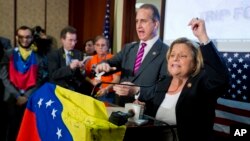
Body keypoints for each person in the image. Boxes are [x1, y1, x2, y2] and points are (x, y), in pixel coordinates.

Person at [114, 18, 229, 141]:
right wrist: (144, 108)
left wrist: (202, 37)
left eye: (183, 56)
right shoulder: (164, 81)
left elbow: (220, 79)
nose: (175, 59)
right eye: (172, 55)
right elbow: (155, 105)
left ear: (195, 63)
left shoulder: (201, 83)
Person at [95, 4, 169, 106]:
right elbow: (111, 63)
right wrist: (103, 65)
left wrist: (136, 91)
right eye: (137, 21)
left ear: (155, 24)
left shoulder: (166, 52)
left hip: (145, 114)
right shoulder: (129, 48)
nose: (138, 26)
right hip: (119, 108)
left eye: (143, 21)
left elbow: (162, 90)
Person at [0, 25, 48, 141]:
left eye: (28, 37)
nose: (25, 40)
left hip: (30, 98)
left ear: (32, 38)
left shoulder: (38, 56)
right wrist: (17, 96)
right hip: (11, 97)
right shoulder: (8, 54)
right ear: (17, 37)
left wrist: (26, 96)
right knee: (11, 130)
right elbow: (3, 77)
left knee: (28, 129)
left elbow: (40, 78)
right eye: (21, 37)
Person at [47, 26, 87, 94]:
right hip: (60, 89)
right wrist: (70, 67)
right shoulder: (54, 54)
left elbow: (80, 76)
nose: (73, 43)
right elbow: (53, 75)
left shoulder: (79, 54)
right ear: (63, 40)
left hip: (75, 89)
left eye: (75, 40)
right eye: (70, 40)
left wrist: (82, 70)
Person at [85, 35, 120, 103]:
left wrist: (106, 89)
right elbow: (85, 76)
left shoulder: (113, 59)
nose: (100, 47)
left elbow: (117, 79)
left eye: (103, 45)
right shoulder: (91, 59)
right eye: (98, 45)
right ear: (95, 47)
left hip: (108, 94)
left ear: (107, 47)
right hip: (94, 92)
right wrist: (92, 81)